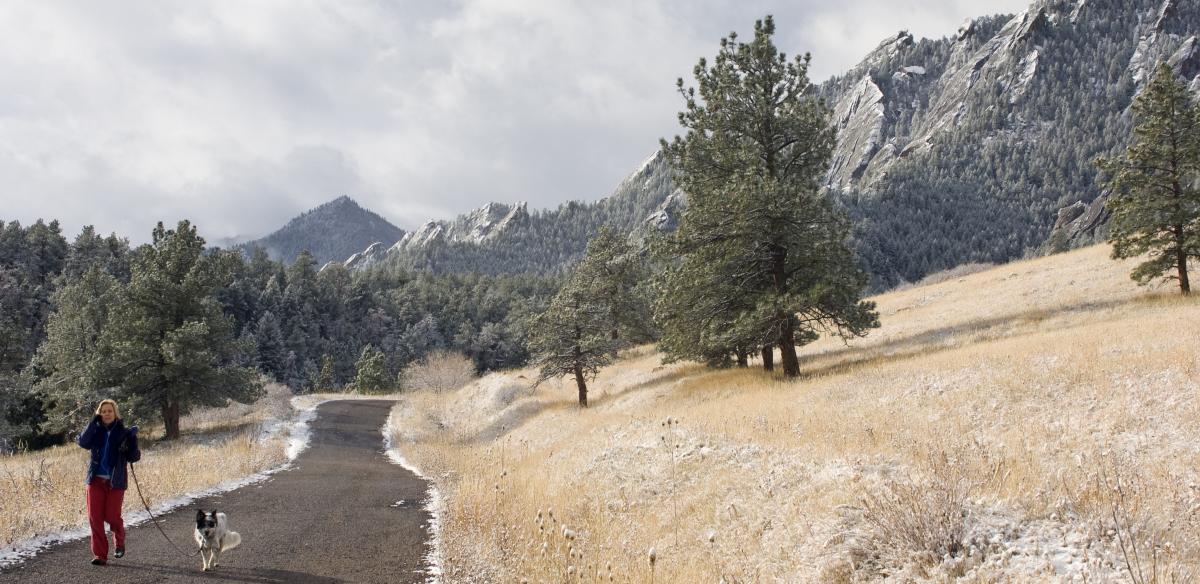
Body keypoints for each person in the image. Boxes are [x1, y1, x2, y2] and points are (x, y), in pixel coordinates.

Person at [77, 399, 140, 566]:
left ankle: (119, 543)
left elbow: (134, 457)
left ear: (115, 413)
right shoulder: (95, 431)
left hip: (115, 482)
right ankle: (100, 555)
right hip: (95, 481)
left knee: (112, 516)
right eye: (103, 411)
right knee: (95, 518)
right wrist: (92, 423)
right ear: (99, 414)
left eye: (109, 411)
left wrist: (132, 441)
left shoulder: (124, 433)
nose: (106, 414)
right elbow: (83, 442)